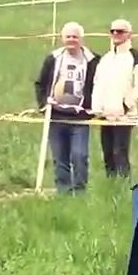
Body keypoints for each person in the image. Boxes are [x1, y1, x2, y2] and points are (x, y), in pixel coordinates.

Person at [35, 22, 97, 194]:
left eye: (75, 37)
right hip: (56, 115)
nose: (71, 40)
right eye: (68, 36)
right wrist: (43, 103)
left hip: (80, 117)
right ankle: (63, 191)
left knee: (79, 155)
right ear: (62, 38)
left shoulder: (92, 60)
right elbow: (41, 84)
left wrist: (93, 107)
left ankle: (80, 191)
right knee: (59, 157)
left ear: (81, 39)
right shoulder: (53, 59)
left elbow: (98, 84)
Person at [91, 18, 138, 178]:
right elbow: (98, 84)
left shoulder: (136, 58)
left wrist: (123, 107)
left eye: (120, 31)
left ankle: (124, 187)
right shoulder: (106, 59)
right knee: (108, 154)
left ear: (129, 34)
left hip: (125, 116)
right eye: (113, 31)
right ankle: (111, 187)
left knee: (120, 153)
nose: (116, 34)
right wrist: (97, 109)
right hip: (105, 116)